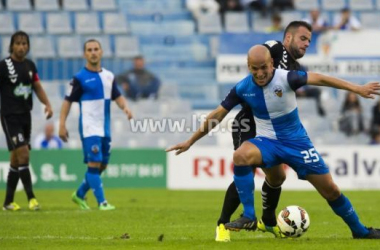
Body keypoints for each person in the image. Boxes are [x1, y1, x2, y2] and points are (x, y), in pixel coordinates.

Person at [167, 45, 380, 239]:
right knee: (240, 155)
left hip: (297, 144)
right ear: (248, 67)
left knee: (331, 190)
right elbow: (218, 115)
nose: (259, 73)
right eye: (254, 69)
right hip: (267, 142)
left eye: (263, 68)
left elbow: (322, 79)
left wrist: (357, 88)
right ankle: (249, 215)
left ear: (271, 64)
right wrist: (190, 141)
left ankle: (360, 231)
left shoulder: (287, 78)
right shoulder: (242, 87)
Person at [212, 21, 313, 242]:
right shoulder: (274, 48)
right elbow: (258, 56)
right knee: (244, 165)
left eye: (309, 41)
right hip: (248, 122)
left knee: (277, 176)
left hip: (272, 127)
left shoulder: (296, 71)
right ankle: (222, 224)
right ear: (288, 38)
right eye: (303, 38)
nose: (306, 44)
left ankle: (267, 221)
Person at [59, 39, 133, 210]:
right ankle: (102, 202)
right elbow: (67, 101)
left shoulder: (109, 76)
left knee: (102, 165)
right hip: (89, 127)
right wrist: (62, 124)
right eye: (89, 50)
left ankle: (79, 194)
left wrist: (126, 107)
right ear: (85, 54)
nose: (93, 52)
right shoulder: (79, 78)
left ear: (101, 52)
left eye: (96, 49)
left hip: (104, 128)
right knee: (93, 163)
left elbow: (117, 96)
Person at [0, 31, 53, 211]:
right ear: (12, 46)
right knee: (24, 154)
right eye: (18, 43)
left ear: (28, 46)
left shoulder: (30, 65)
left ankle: (7, 202)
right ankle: (31, 198)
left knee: (16, 160)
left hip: (25, 116)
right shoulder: (4, 66)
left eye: (24, 43)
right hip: (9, 117)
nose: (21, 47)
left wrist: (47, 103)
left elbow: (36, 86)